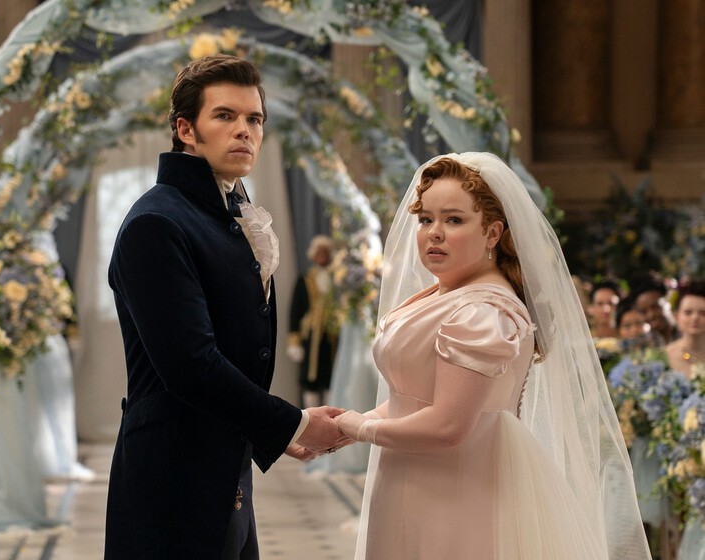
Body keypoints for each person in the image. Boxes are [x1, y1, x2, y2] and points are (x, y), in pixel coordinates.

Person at [333, 153, 650, 559]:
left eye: (454, 220)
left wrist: (360, 428)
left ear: (492, 233)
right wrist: (343, 428)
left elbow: (447, 425)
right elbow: (413, 396)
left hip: (456, 489)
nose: (434, 233)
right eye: (426, 219)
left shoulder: (482, 313)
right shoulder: (449, 293)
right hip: (412, 478)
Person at [105, 54, 346, 559]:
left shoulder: (226, 213)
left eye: (254, 119)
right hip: (171, 481)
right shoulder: (157, 222)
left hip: (223, 467)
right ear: (185, 130)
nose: (244, 130)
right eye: (225, 116)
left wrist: (264, 433)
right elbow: (191, 366)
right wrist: (292, 423)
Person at [288, 234, 338, 407]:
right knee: (310, 380)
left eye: (325, 253)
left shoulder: (337, 279)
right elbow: (295, 311)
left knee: (331, 377)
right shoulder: (304, 279)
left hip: (332, 336)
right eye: (319, 253)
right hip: (310, 337)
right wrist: (294, 342)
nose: (322, 256)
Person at [665, 279, 705, 378]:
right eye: (688, 312)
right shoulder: (665, 357)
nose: (695, 318)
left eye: (703, 313)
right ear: (676, 316)